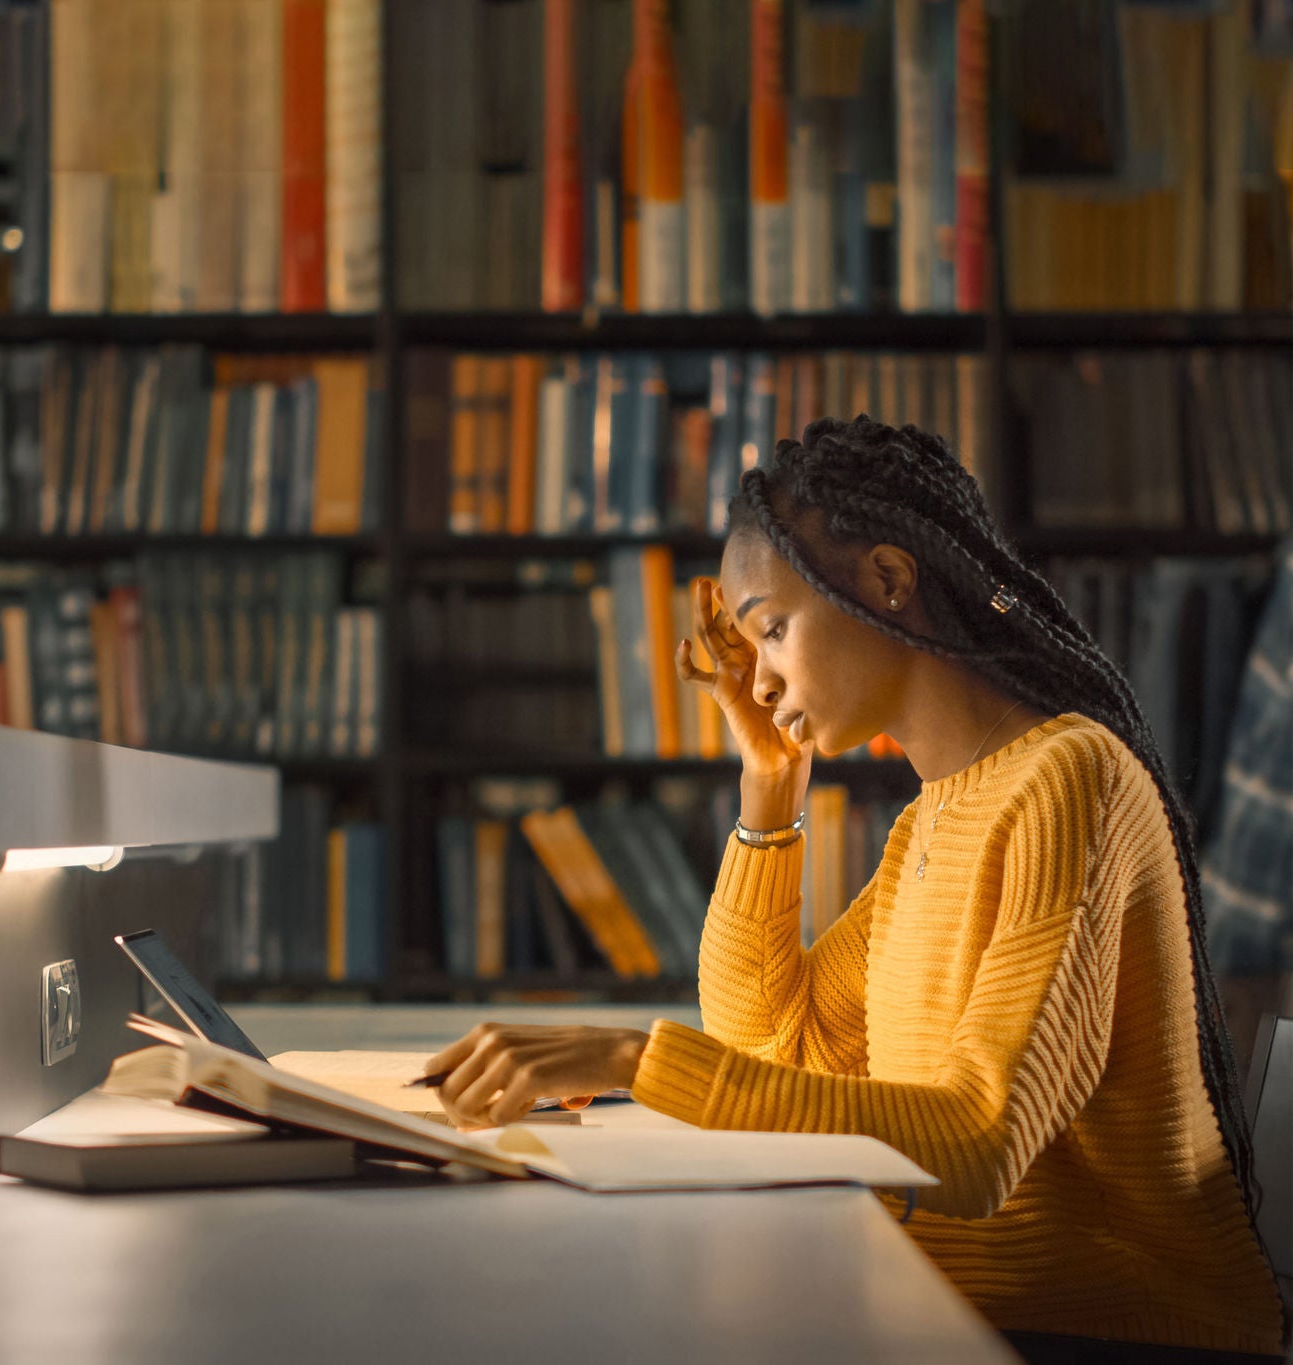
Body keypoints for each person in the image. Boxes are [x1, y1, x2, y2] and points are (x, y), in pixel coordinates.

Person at [424, 417, 1286, 1356]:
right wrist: (769, 791)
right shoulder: (930, 822)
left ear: (888, 579)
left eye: (774, 630)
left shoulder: (1071, 779)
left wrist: (634, 1061)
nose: (757, 681)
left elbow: (976, 1144)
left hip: (1120, 1333)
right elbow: (772, 1044)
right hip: (963, 1316)